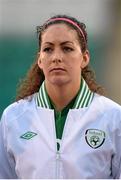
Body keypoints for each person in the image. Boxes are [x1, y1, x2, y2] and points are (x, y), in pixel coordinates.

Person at [0, 14, 121, 179]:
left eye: (67, 48)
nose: (57, 57)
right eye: (48, 49)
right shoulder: (13, 118)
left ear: (84, 58)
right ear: (40, 60)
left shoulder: (113, 117)